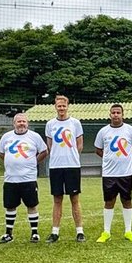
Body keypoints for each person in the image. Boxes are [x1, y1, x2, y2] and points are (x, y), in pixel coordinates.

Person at [93, 103, 132, 242]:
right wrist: (109, 158)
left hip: (125, 173)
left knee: (127, 200)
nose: (116, 115)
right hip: (109, 174)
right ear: (110, 114)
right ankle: (106, 232)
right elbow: (98, 150)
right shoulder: (103, 131)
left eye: (118, 113)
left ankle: (128, 231)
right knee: (109, 201)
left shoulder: (130, 130)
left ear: (122, 114)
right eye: (113, 113)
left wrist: (124, 157)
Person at [0, 113, 48, 243]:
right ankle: (9, 234)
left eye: (24, 121)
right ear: (14, 123)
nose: (21, 124)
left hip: (28, 179)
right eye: (19, 121)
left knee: (32, 205)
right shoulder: (6, 137)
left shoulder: (34, 137)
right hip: (10, 179)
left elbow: (44, 151)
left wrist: (33, 162)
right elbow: (1, 152)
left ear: (27, 123)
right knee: (10, 206)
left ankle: (34, 233)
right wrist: (11, 162)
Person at [44, 94, 85, 243]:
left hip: (72, 166)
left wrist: (71, 156)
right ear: (55, 107)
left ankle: (80, 231)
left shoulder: (75, 123)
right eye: (59, 106)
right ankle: (55, 232)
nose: (61, 108)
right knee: (57, 199)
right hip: (56, 166)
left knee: (74, 198)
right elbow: (50, 145)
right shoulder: (50, 124)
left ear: (67, 106)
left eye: (64, 105)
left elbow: (79, 145)